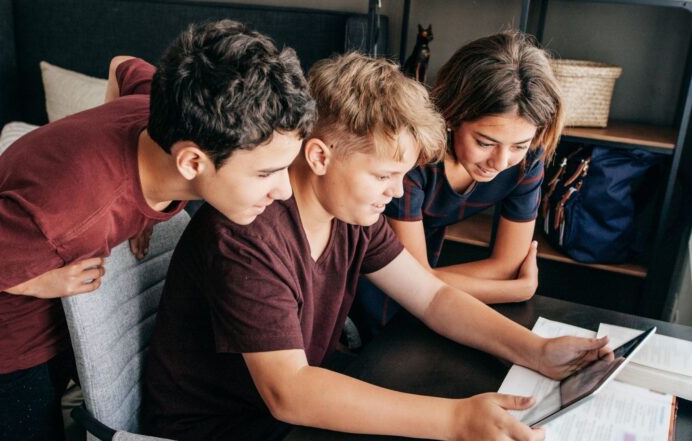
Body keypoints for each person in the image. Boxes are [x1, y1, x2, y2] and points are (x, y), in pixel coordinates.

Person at [142, 52, 608, 441]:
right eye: (385, 176)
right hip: (222, 428)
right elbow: (290, 392)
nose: (397, 191)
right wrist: (455, 420)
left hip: (289, 409)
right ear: (320, 156)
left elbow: (431, 296)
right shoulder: (246, 234)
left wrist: (535, 350)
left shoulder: (352, 214)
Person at [0, 19, 315, 441]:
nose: (285, 190)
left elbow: (122, 64)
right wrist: (34, 279)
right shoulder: (66, 215)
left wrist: (143, 214)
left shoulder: (163, 106)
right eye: (266, 172)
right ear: (192, 163)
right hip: (11, 344)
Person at [356, 30, 565, 330]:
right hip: (367, 273)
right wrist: (518, 289)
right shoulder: (415, 160)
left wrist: (431, 279)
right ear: (452, 116)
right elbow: (410, 278)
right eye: (485, 142)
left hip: (427, 288)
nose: (501, 161)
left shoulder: (527, 160)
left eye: (518, 146)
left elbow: (506, 265)